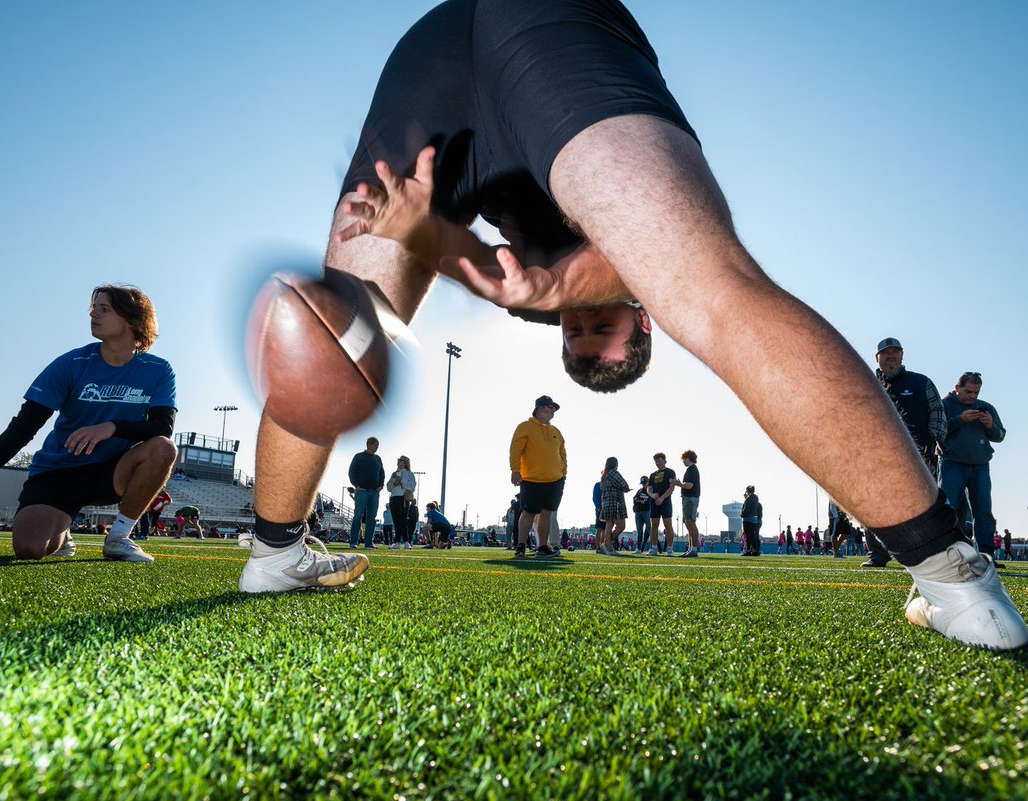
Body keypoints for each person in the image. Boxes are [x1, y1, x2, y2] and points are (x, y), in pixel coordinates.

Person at [252, 0, 1025, 648]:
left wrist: (430, 234)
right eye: (602, 333)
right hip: (546, 33)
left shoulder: (540, 295)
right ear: (643, 323)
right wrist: (534, 275)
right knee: (710, 282)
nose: (580, 324)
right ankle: (954, 575)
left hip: (437, 63)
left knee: (334, 339)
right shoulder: (600, 278)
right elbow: (626, 262)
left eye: (573, 336)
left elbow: (482, 262)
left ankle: (273, 549)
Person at [0, 285, 177, 563]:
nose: (93, 313)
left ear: (132, 319)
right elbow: (23, 427)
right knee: (29, 550)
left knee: (163, 448)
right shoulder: (71, 363)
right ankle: (62, 529)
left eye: (104, 309)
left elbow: (162, 427)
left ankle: (119, 537)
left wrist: (112, 427)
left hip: (111, 470)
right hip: (60, 471)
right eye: (94, 308)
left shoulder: (158, 369)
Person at [861, 337, 947, 567]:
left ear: (902, 355)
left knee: (921, 508)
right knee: (873, 505)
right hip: (876, 455)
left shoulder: (921, 382)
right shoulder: (865, 382)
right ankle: (877, 555)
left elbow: (938, 413)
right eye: (885, 353)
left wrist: (932, 442)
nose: (890, 356)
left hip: (918, 455)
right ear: (877, 358)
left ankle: (924, 556)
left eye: (894, 352)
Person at [940, 372, 1005, 564]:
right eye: (968, 391)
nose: (972, 396)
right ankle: (946, 555)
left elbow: (1000, 436)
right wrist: (960, 420)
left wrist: (991, 426)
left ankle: (986, 555)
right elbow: (936, 431)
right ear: (957, 388)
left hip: (980, 465)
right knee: (949, 509)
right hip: (952, 463)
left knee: (984, 510)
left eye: (976, 393)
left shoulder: (986, 407)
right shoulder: (944, 405)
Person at [508, 395, 566, 558]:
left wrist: (564, 473)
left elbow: (562, 453)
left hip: (555, 480)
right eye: (550, 407)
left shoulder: (556, 431)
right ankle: (520, 545)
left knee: (547, 514)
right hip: (532, 479)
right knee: (528, 513)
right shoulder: (525, 427)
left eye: (554, 408)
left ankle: (542, 546)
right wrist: (515, 470)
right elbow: (515, 449)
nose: (553, 410)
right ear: (539, 408)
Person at [347, 436, 384, 551]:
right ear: (369, 444)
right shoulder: (358, 457)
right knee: (358, 517)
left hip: (374, 492)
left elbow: (382, 473)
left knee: (372, 518)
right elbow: (351, 472)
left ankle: (369, 543)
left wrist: (381, 486)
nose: (377, 448)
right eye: (375, 445)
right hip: (362, 492)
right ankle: (353, 542)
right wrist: (357, 486)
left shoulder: (378, 458)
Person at [646, 453, 676, 556]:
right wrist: (652, 495)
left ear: (664, 460)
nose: (658, 463)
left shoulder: (670, 472)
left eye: (659, 461)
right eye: (656, 461)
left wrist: (662, 498)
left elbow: (672, 488)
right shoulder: (652, 475)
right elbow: (649, 488)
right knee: (654, 525)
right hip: (654, 502)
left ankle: (670, 549)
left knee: (668, 525)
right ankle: (654, 548)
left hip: (666, 502)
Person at [598, 456, 629, 556]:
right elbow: (624, 484)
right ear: (615, 464)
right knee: (621, 526)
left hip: (606, 503)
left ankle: (608, 547)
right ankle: (607, 544)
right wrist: (626, 489)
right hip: (615, 503)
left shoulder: (604, 474)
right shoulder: (613, 473)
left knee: (609, 525)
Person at [387, 454, 417, 550]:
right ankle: (396, 542)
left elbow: (412, 487)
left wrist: (402, 481)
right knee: (396, 521)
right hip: (393, 498)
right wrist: (394, 483)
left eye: (400, 460)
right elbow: (388, 487)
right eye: (398, 461)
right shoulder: (394, 473)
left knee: (403, 521)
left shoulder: (410, 474)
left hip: (403, 498)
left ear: (405, 463)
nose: (398, 462)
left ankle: (407, 542)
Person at [674, 449, 701, 558]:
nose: (683, 461)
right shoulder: (691, 469)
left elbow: (689, 485)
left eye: (684, 459)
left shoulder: (692, 469)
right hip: (688, 498)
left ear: (688, 458)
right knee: (689, 524)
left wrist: (678, 483)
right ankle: (691, 549)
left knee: (691, 523)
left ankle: (694, 549)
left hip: (690, 498)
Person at [741, 486, 762, 556]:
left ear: (747, 491)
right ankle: (755, 550)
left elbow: (746, 508)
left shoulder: (748, 499)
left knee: (748, 535)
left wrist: (742, 514)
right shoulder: (756, 497)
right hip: (754, 518)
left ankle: (748, 550)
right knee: (753, 535)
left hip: (747, 518)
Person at [631, 476, 650, 553]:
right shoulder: (639, 491)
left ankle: (655, 547)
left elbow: (648, 501)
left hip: (647, 512)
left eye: (645, 483)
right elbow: (634, 499)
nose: (643, 485)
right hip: (638, 512)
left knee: (650, 531)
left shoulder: (650, 490)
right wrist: (640, 501)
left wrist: (640, 501)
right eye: (642, 483)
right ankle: (638, 548)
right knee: (639, 532)